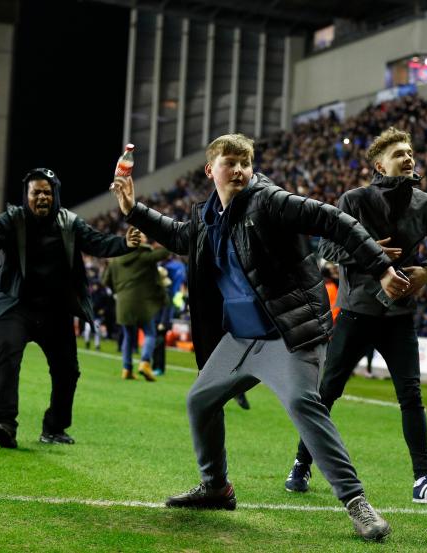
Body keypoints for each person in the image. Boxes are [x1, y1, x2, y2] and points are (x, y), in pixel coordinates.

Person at [112, 133, 405, 541]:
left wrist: (380, 267)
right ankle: (216, 487)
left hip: (288, 333)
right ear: (209, 169)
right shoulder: (207, 216)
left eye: (245, 162)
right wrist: (133, 209)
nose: (238, 169)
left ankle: (358, 504)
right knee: (200, 400)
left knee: (304, 404)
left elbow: (333, 219)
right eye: (229, 162)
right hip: (240, 338)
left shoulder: (271, 202)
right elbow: (182, 237)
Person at [285, 127, 427, 506]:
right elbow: (328, 246)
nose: (409, 157)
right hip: (357, 312)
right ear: (380, 164)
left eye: (411, 152)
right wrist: (366, 252)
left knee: (411, 396)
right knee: (327, 393)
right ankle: (301, 462)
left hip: (400, 315)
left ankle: (423, 480)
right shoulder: (354, 200)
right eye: (400, 153)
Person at [0, 168, 139, 449]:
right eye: (36, 192)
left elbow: (98, 243)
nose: (42, 197)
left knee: (67, 370)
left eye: (47, 192)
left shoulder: (70, 223)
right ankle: (4, 423)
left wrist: (124, 243)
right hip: (15, 305)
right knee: (9, 354)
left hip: (54, 310)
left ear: (55, 196)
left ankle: (54, 427)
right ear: (26, 196)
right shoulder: (11, 219)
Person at [102, 231, 169, 381]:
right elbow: (164, 253)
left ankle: (126, 369)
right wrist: (166, 238)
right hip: (142, 303)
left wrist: (118, 290)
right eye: (145, 238)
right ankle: (145, 362)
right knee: (150, 333)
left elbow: (105, 280)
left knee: (128, 336)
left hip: (122, 302)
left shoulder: (115, 259)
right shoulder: (144, 256)